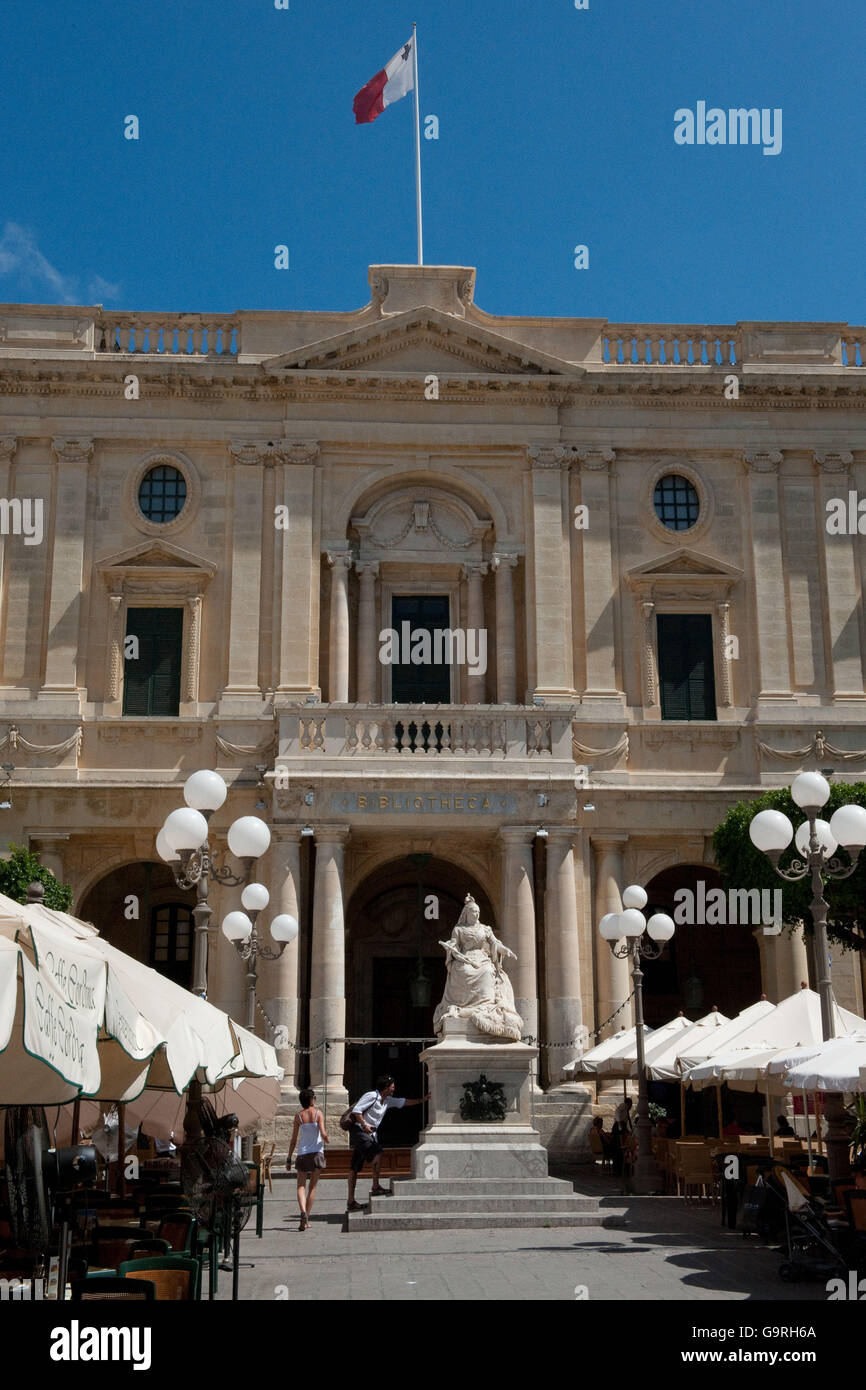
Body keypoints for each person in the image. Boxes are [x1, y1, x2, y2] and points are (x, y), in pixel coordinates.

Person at [346, 1075, 427, 1212]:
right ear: (386, 1087)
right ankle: (376, 1186)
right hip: (361, 1132)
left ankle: (351, 1201)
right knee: (377, 1151)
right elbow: (357, 1111)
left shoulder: (387, 1101)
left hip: (370, 1134)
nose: (394, 1088)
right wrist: (365, 1125)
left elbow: (404, 1102)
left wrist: (422, 1100)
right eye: (392, 1086)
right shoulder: (371, 1096)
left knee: (355, 1167)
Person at [286, 1087, 329, 1231]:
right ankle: (307, 1218)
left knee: (300, 1186)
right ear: (311, 1100)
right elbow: (323, 1133)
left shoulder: (298, 1116)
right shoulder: (318, 1114)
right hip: (317, 1153)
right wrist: (326, 1138)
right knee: (313, 1187)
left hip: (303, 1153)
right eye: (314, 1097)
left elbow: (293, 1139)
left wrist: (288, 1158)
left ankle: (302, 1211)